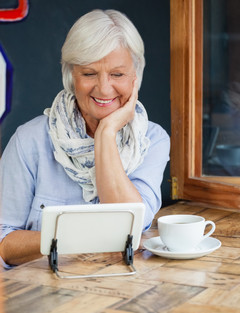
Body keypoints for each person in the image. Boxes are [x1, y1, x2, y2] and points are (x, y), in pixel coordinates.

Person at [0, 9, 170, 268]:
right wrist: (73, 237)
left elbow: (131, 225)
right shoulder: (29, 140)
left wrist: (106, 132)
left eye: (117, 74)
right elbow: (4, 242)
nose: (103, 88)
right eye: (89, 73)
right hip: (40, 294)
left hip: (123, 292)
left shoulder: (152, 140)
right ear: (71, 76)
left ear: (136, 77)